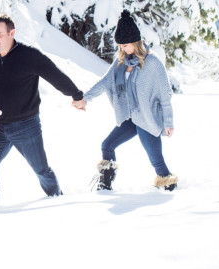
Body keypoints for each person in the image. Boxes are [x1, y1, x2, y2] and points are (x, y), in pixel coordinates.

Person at [0, 15, 84, 204]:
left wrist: (76, 95)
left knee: (41, 170)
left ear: (12, 33)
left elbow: (55, 75)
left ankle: (57, 201)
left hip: (25, 126)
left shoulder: (29, 56)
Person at [73, 10, 178, 192]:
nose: (123, 49)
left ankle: (168, 188)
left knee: (156, 159)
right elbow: (105, 82)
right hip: (129, 118)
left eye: (126, 45)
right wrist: (85, 98)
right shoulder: (120, 63)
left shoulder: (152, 62)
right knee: (107, 145)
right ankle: (105, 186)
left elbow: (165, 95)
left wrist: (168, 122)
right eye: (120, 45)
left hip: (146, 119)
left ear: (136, 43)